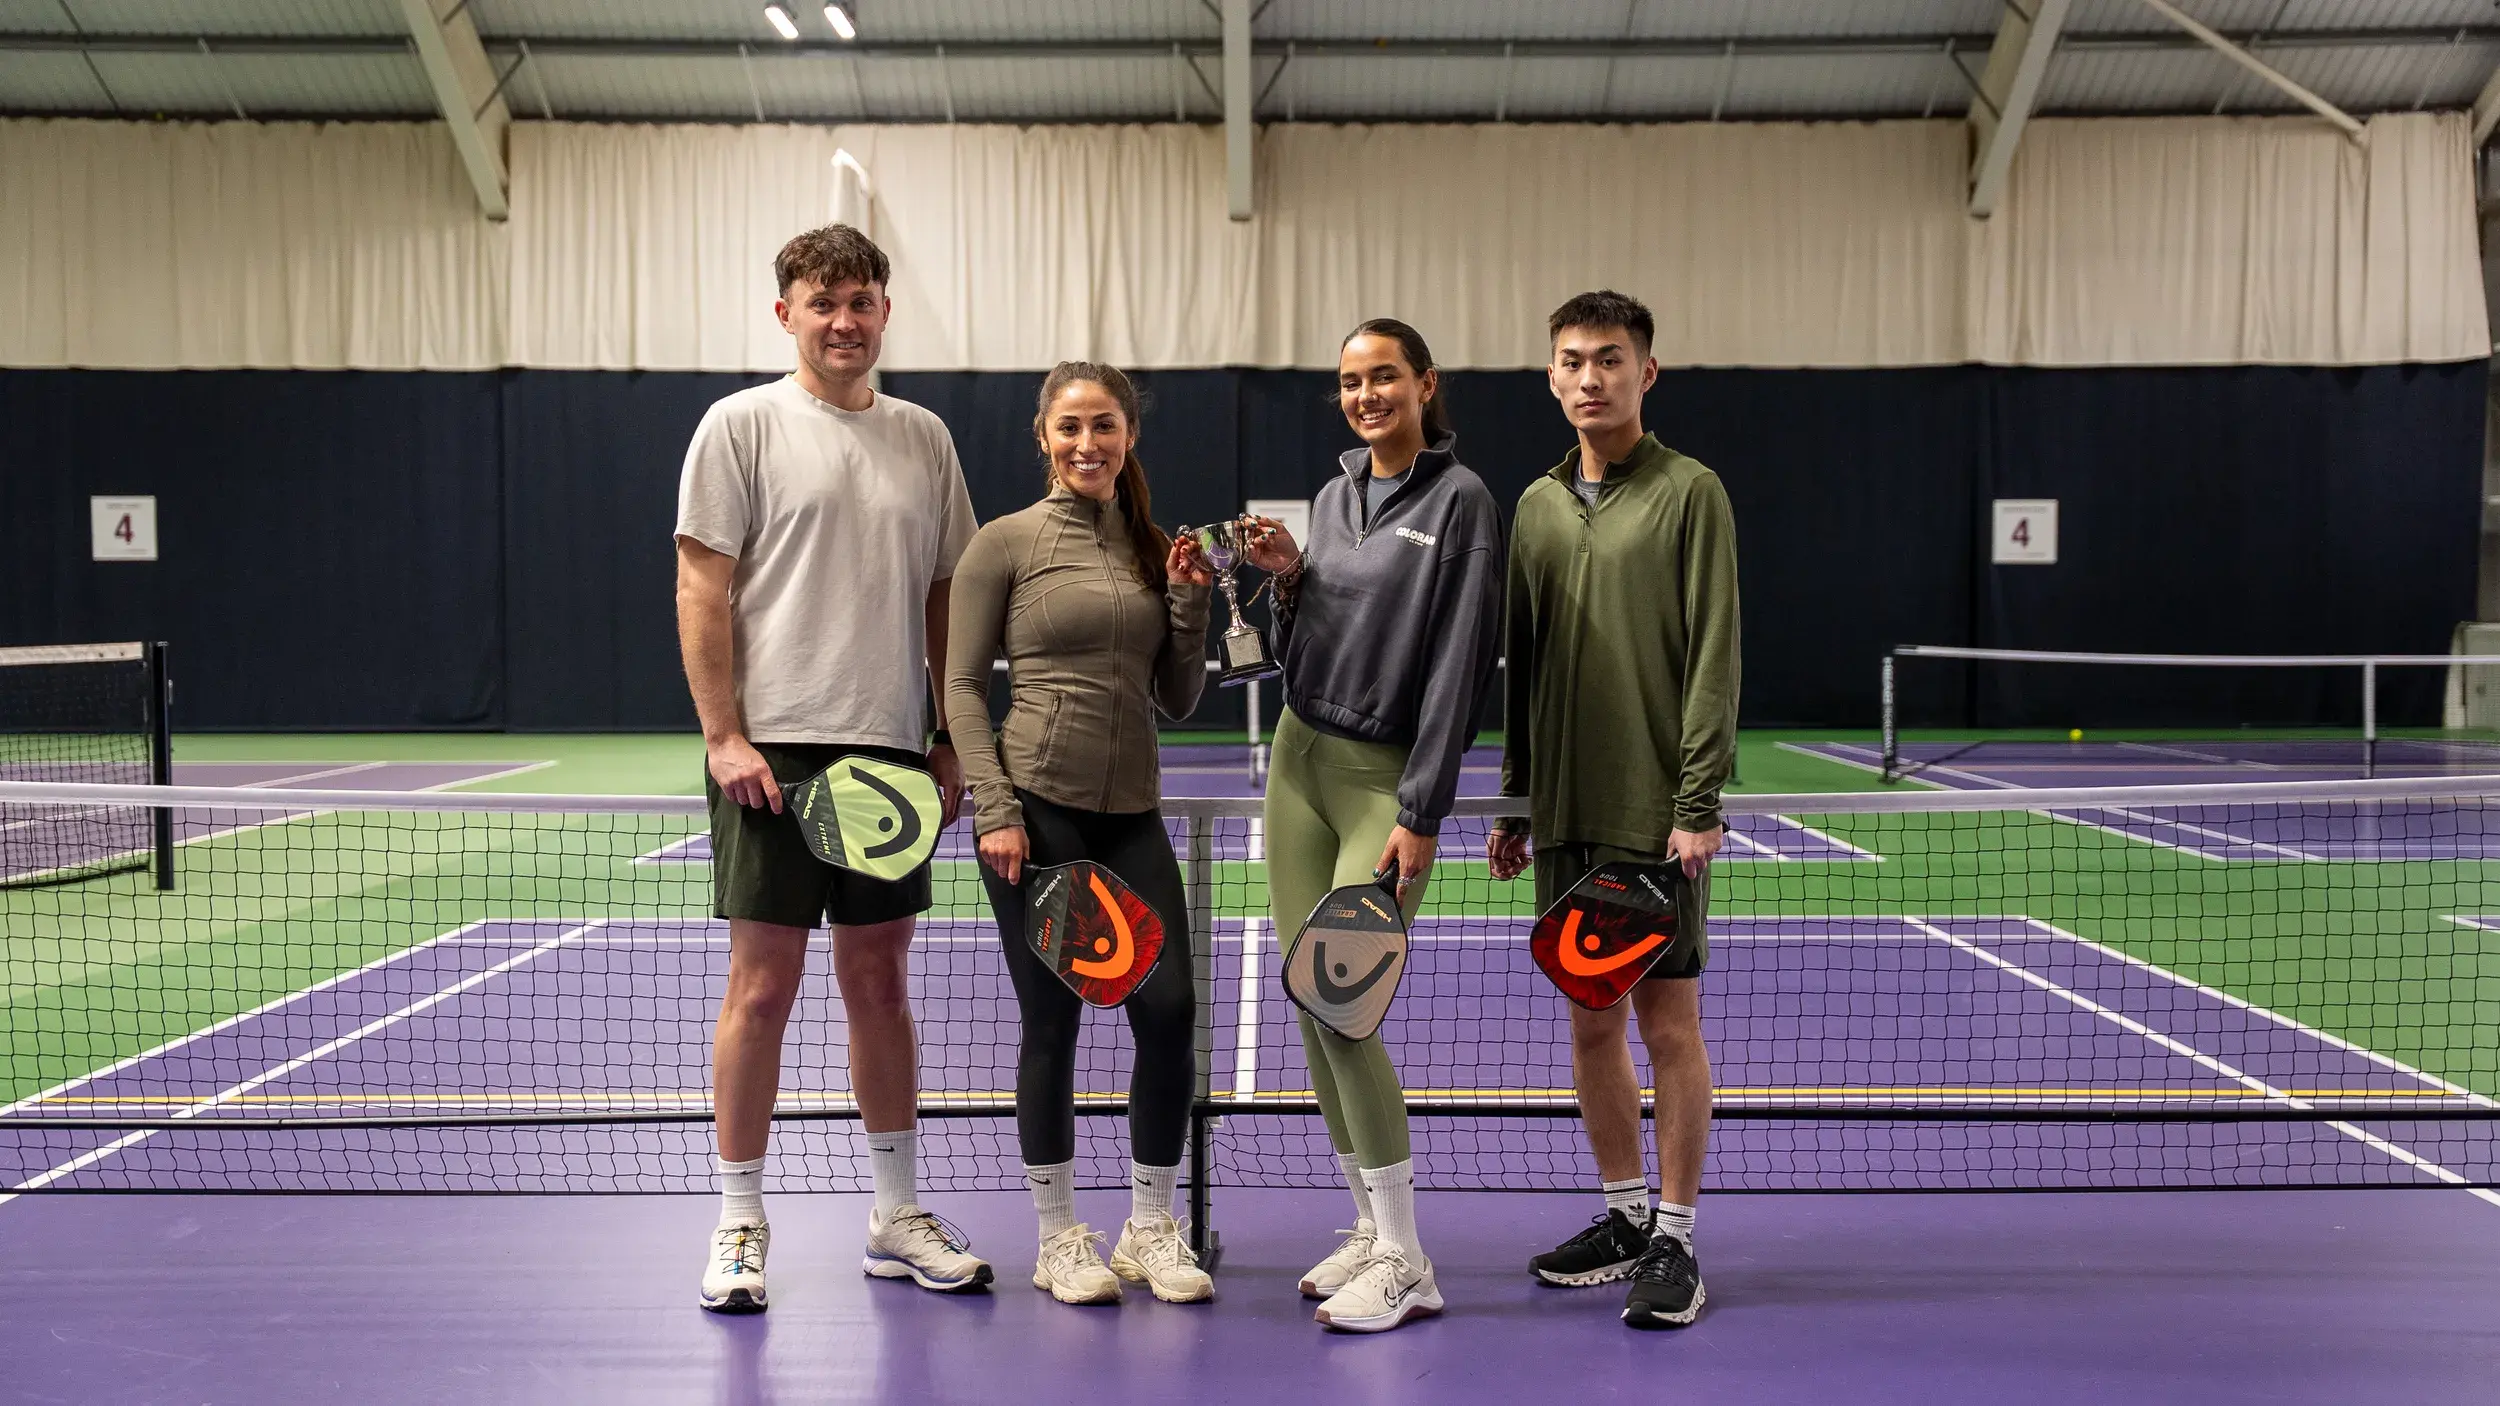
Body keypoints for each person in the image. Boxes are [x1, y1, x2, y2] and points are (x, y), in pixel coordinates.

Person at [676, 223, 990, 1314]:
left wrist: (949, 732)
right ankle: (738, 1221)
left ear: (883, 310)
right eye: (823, 302)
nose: (843, 320)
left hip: (889, 748)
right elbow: (702, 587)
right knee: (761, 987)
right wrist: (724, 734)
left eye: (860, 301)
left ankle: (895, 1215)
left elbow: (949, 592)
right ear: (787, 314)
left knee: (879, 983)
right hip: (773, 752)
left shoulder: (925, 438)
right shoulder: (739, 426)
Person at [1238, 319, 1505, 1333]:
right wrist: (1290, 577)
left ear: (1424, 383)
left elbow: (1458, 663)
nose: (1365, 395)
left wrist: (1423, 808)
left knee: (1345, 1004)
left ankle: (1407, 1257)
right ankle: (1364, 1220)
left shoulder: (1462, 502)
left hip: (1380, 786)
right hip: (1295, 766)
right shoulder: (1332, 493)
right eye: (1350, 381)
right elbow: (1297, 643)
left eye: (1383, 376)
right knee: (1309, 1001)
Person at [1488, 289, 1740, 1331]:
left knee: (1666, 1021)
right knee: (1589, 1018)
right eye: (1570, 359)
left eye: (1609, 358)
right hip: (1564, 807)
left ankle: (1676, 1235)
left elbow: (1714, 651)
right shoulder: (1535, 506)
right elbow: (1524, 660)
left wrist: (1696, 799)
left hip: (1656, 812)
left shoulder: (1691, 492)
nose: (1589, 375)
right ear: (1551, 377)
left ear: (1646, 372)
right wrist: (1514, 796)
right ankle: (1623, 1216)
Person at [945, 361, 1219, 1307]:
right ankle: (1060, 1237)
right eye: (1070, 428)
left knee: (1171, 1012)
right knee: (1052, 1022)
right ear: (1044, 437)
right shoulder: (1004, 544)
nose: (1087, 444)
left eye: (1104, 427)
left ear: (1128, 436)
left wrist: (1191, 599)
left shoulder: (1153, 546)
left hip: (1131, 812)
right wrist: (996, 808)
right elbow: (963, 690)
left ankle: (1150, 1226)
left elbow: (1178, 698)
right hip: (1037, 811)